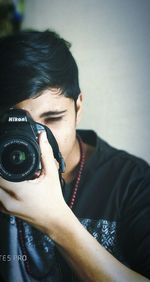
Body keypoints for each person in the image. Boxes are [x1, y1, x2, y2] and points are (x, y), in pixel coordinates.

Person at [0, 30, 149, 282]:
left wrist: (56, 221)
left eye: (52, 119)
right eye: (16, 125)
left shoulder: (132, 181)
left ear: (78, 108)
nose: (39, 142)